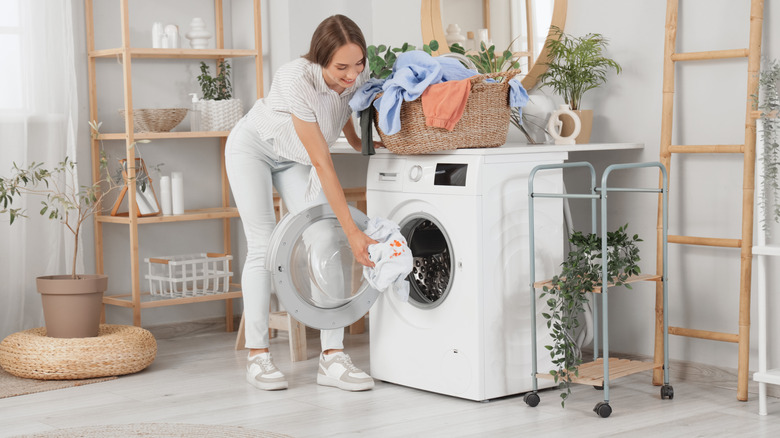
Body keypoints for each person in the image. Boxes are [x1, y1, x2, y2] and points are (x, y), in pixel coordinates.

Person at [225, 14, 381, 392]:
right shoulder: (296, 78)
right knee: (263, 246)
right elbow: (323, 163)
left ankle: (332, 358)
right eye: (341, 67)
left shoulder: (354, 76)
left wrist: (376, 143)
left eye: (358, 63)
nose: (352, 74)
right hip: (254, 148)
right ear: (319, 59)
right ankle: (258, 355)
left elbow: (344, 118)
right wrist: (354, 233)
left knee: (325, 242)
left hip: (294, 158)